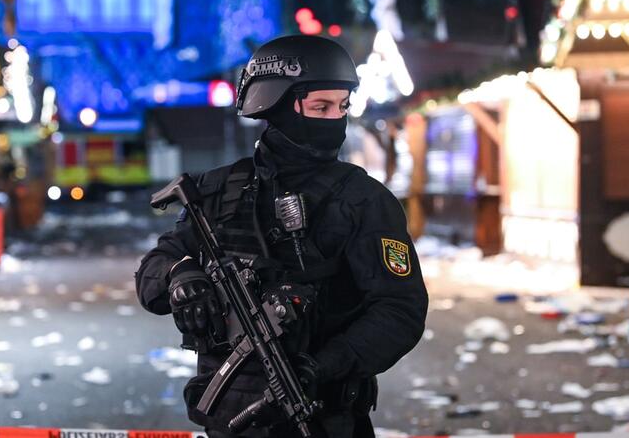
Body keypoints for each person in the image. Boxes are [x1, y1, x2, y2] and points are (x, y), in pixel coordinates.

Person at [135, 35, 428, 438]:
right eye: (321, 106)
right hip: (230, 419)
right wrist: (180, 276)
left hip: (324, 420)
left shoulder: (362, 200)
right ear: (279, 105)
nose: (335, 119)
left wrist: (324, 365)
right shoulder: (218, 192)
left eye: (342, 106)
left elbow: (400, 310)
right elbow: (152, 271)